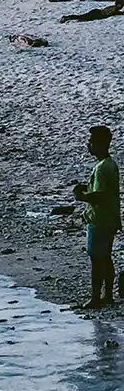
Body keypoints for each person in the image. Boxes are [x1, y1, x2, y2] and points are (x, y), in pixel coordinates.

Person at [72, 125, 121, 309]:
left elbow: (99, 195)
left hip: (99, 220)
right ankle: (107, 294)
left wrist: (82, 196)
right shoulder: (110, 164)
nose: (88, 145)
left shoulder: (101, 168)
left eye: (91, 142)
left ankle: (95, 297)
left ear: (100, 144)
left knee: (96, 259)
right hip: (110, 217)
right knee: (106, 257)